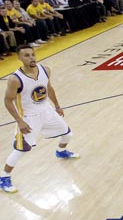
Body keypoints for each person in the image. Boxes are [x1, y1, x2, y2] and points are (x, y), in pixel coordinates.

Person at [0, 45, 79, 194]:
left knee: (68, 134)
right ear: (20, 58)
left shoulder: (45, 70)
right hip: (29, 118)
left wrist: (57, 105)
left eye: (32, 54)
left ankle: (61, 151)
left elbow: (48, 88)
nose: (31, 58)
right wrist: (19, 120)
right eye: (26, 55)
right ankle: (4, 177)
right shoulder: (15, 79)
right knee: (21, 150)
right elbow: (8, 101)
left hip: (47, 111)